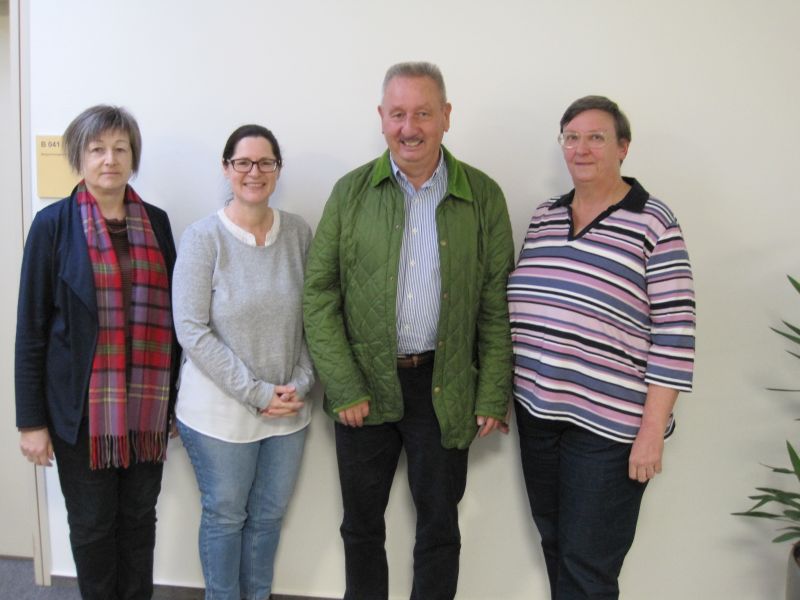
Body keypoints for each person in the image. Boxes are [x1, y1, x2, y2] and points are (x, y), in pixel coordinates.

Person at [303, 61, 514, 600]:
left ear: (446, 116)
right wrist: (344, 385)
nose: (409, 127)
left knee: (440, 527)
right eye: (398, 114)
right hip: (364, 386)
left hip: (445, 387)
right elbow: (318, 295)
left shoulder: (483, 196)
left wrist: (492, 391)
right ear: (381, 118)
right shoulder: (350, 193)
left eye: (422, 112)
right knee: (361, 526)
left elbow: (495, 304)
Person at [507, 95, 696, 599]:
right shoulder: (545, 217)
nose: (581, 148)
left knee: (589, 564)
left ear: (623, 148)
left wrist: (652, 432)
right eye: (571, 137)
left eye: (596, 137)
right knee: (556, 544)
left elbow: (676, 333)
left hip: (610, 429)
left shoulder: (654, 222)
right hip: (539, 415)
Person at [15, 104, 179, 600]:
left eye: (120, 148)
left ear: (133, 157)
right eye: (97, 149)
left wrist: (170, 402)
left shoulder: (157, 223)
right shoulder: (53, 225)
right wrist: (32, 422)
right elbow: (32, 329)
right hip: (80, 413)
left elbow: (174, 323)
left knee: (138, 520)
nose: (110, 159)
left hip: (145, 408)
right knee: (91, 525)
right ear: (79, 157)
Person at [173, 124, 314, 600]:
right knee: (226, 516)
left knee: (269, 517)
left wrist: (301, 383)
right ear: (226, 168)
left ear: (278, 169)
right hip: (219, 413)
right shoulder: (202, 238)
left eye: (266, 162)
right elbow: (192, 330)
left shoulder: (297, 233)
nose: (255, 172)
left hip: (288, 411)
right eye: (243, 163)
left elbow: (313, 317)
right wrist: (256, 393)